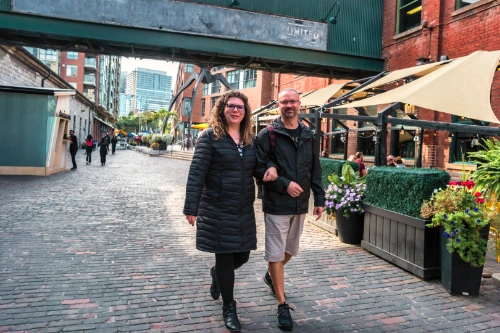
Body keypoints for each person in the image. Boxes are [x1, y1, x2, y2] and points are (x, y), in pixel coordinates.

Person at [183, 91, 275, 333]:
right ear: (222, 109)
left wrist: (270, 170)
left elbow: (256, 167)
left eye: (240, 107)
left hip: (242, 207)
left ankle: (216, 274)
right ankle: (229, 307)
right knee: (225, 255)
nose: (236, 110)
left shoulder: (249, 139)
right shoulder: (210, 137)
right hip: (217, 206)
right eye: (231, 106)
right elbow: (196, 174)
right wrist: (191, 207)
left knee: (242, 255)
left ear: (246, 112)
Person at [255, 88, 325, 331]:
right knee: (275, 253)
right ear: (278, 105)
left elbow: (315, 168)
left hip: (300, 204)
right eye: (284, 102)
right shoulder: (268, 134)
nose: (289, 105)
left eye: (293, 101)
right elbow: (258, 165)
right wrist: (283, 183)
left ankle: (271, 275)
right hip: (276, 203)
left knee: (290, 250)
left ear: (300, 104)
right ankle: (281, 304)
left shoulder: (309, 135)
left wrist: (320, 198)